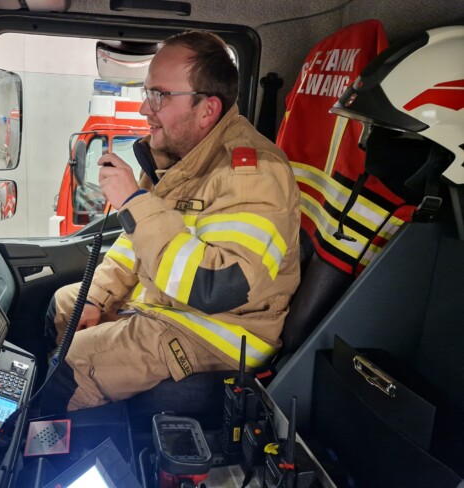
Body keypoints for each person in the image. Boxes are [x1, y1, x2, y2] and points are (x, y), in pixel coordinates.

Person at [43, 30, 300, 412]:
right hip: (171, 307)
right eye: (147, 93)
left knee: (74, 362)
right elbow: (136, 244)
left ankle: (46, 439)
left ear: (207, 110)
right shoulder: (180, 159)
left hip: (219, 330)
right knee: (66, 307)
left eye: (159, 96)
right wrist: (98, 296)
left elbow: (216, 286)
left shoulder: (253, 174)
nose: (144, 109)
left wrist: (134, 202)